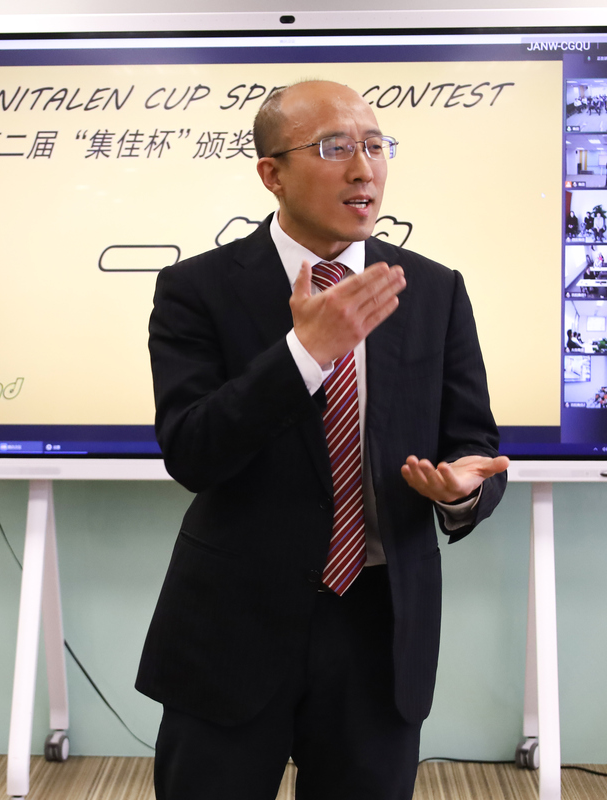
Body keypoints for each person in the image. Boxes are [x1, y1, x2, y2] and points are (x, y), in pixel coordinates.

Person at [138, 80, 509, 800]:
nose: (363, 168)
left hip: (380, 625)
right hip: (234, 622)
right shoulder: (196, 289)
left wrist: (463, 491)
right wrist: (303, 354)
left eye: (375, 146)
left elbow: (473, 440)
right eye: (335, 147)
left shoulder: (433, 290)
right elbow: (192, 450)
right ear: (271, 173)